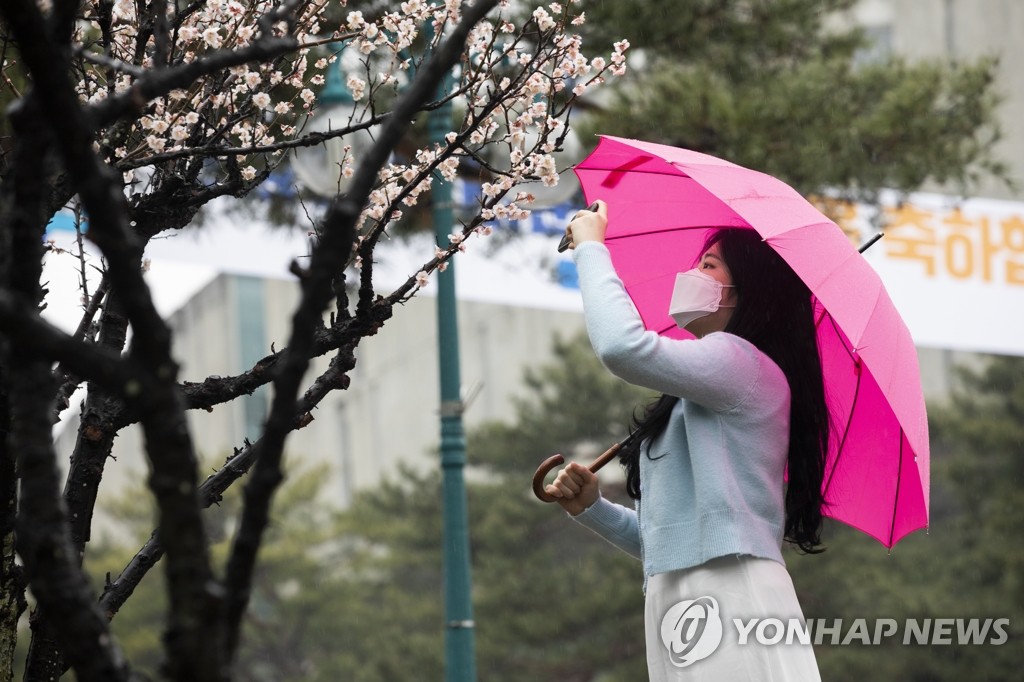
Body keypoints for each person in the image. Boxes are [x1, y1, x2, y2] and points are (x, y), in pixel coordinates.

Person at [546, 200, 827, 681]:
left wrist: (592, 249)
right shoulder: (700, 391)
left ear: (747, 291)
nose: (690, 273)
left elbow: (621, 347)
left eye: (708, 265)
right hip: (682, 601)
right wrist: (594, 509)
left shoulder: (741, 363)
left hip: (728, 594)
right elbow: (672, 540)